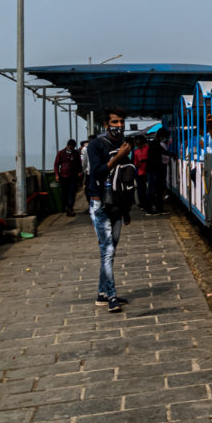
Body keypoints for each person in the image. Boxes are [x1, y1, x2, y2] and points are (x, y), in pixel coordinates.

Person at [86, 108, 133, 313]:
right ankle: (111, 296)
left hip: (117, 205)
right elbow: (97, 172)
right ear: (106, 125)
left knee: (110, 252)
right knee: (108, 251)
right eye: (115, 122)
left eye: (121, 122)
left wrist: (126, 210)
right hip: (100, 204)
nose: (119, 125)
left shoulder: (122, 144)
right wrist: (119, 156)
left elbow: (124, 178)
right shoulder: (96, 145)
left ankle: (101, 294)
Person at [145, 129, 172, 214]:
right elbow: (163, 152)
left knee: (152, 189)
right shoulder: (156, 144)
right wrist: (173, 155)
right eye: (165, 137)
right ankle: (153, 209)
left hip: (151, 169)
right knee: (155, 189)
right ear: (162, 136)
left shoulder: (152, 143)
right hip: (155, 169)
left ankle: (152, 208)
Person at [53, 139, 83, 216]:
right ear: (68, 146)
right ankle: (64, 206)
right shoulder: (61, 153)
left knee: (72, 193)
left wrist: (79, 172)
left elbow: (79, 163)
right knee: (64, 193)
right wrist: (57, 174)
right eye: (72, 147)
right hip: (63, 176)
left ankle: (70, 209)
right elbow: (56, 164)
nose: (72, 148)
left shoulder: (76, 153)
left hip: (73, 176)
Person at [133, 136, 149, 210]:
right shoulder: (136, 151)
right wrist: (140, 163)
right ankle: (143, 204)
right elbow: (135, 163)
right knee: (141, 189)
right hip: (141, 172)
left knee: (146, 189)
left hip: (148, 171)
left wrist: (145, 161)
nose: (138, 146)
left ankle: (146, 203)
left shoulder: (148, 148)